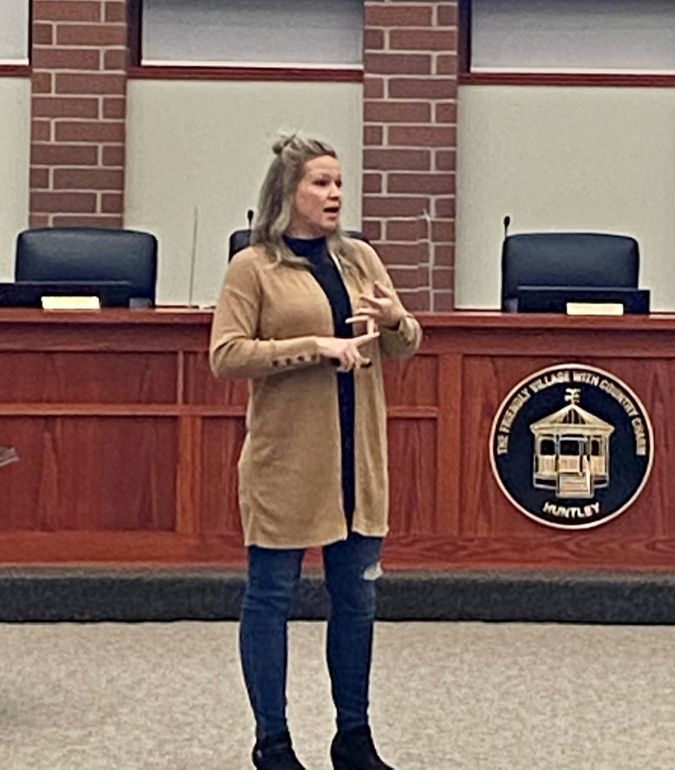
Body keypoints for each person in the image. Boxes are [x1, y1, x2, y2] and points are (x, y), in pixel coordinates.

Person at [210, 132, 421, 770]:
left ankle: (352, 736)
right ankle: (272, 742)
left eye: (338, 183)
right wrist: (313, 347)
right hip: (289, 462)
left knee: (357, 601)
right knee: (271, 597)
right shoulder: (253, 267)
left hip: (359, 459)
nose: (334, 195)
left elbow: (406, 343)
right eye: (320, 184)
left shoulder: (359, 258)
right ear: (288, 192)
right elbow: (226, 356)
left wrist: (392, 321)